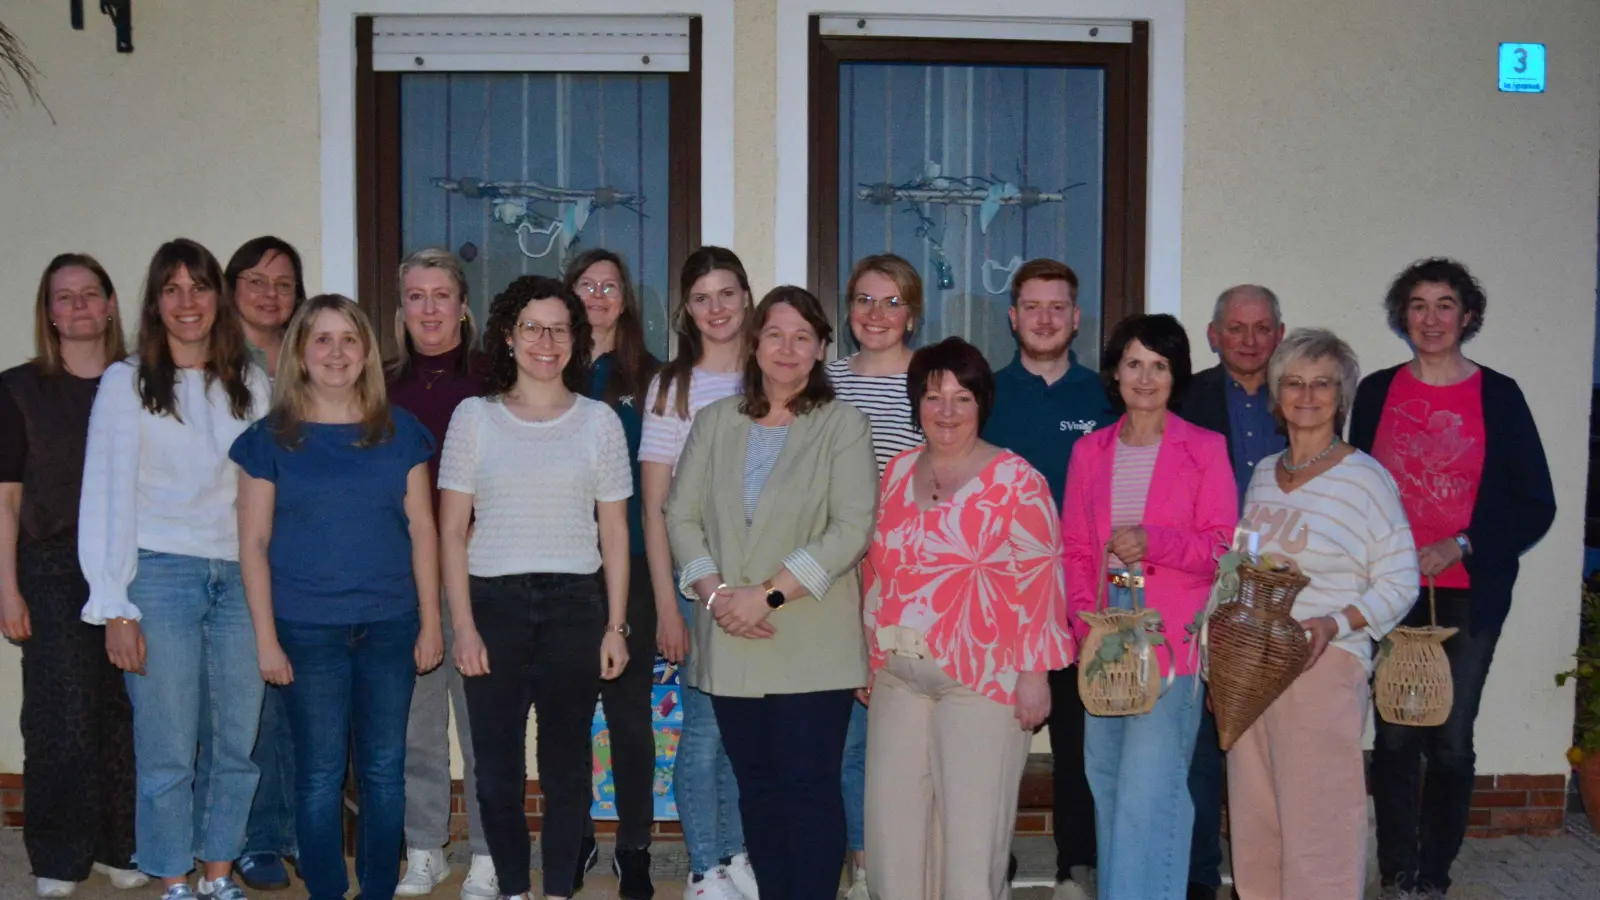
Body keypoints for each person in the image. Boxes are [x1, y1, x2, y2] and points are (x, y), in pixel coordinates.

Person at [665, 286, 877, 900]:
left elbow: (851, 528)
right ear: (755, 343)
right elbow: (681, 516)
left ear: (819, 352)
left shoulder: (843, 424)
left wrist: (767, 596)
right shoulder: (714, 423)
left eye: (802, 337)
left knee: (808, 788)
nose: (788, 348)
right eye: (776, 334)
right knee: (755, 785)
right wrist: (715, 596)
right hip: (729, 635)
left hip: (810, 640)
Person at [1353, 258, 1556, 899]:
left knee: (1448, 739)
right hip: (1391, 592)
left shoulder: (1499, 395)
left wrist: (1462, 543)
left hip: (1470, 596)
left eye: (1445, 305)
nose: (1432, 319)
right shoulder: (1378, 392)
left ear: (1467, 316)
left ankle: (1433, 876)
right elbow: (1357, 486)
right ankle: (1396, 871)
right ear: (1401, 316)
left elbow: (1535, 503)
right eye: (1418, 305)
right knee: (1390, 738)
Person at [230, 295, 443, 900]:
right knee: (320, 776)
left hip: (390, 626)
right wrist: (266, 639)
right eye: (321, 339)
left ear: (367, 352)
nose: (336, 352)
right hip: (306, 629)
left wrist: (431, 623)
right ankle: (326, 889)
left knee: (383, 773)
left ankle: (377, 889)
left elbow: (423, 531)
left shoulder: (401, 433)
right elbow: (254, 545)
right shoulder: (268, 440)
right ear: (299, 350)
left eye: (349, 339)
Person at [78, 238, 270, 900]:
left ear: (218, 299)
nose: (187, 302)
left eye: (199, 287)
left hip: (241, 581)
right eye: (172, 289)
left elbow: (269, 492)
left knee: (235, 746)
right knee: (165, 747)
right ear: (156, 304)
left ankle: (218, 874)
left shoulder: (250, 383)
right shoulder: (125, 383)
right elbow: (103, 496)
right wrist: (115, 604)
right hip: (158, 578)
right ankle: (171, 878)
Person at [439, 275, 633, 900]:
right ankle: (515, 890)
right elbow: (450, 531)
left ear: (575, 339)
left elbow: (615, 535)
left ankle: (557, 893)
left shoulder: (598, 422)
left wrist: (615, 625)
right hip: (492, 605)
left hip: (576, 607)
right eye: (532, 327)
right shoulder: (475, 417)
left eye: (559, 328)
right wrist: (462, 625)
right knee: (493, 771)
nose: (545, 341)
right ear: (507, 334)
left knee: (566, 767)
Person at [862, 336, 1072, 900]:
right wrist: (868, 654)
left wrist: (1036, 674)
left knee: (971, 846)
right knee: (893, 842)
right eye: (933, 398)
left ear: (982, 403)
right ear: (916, 405)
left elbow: (1041, 583)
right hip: (898, 677)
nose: (947, 412)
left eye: (961, 397)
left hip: (984, 681)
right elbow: (877, 570)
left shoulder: (1018, 481)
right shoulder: (898, 471)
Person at [1229, 328, 1419, 900]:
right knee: (1256, 818)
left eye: (1322, 384)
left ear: (1343, 396)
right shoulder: (1264, 472)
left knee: (1319, 825)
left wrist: (1333, 625)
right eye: (1293, 382)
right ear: (1275, 393)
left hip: (1322, 664)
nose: (1306, 396)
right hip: (1253, 667)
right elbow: (1247, 566)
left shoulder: (1366, 479)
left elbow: (1400, 579)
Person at [1059, 313, 1236, 900]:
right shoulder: (1090, 450)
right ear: (1116, 371)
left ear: (1175, 375)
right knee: (1106, 778)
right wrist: (1088, 620)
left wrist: (1154, 541)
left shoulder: (1205, 449)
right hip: (1105, 627)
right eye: (1134, 362)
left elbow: (1222, 547)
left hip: (1172, 634)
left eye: (1159, 365)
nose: (1145, 376)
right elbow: (1076, 547)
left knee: (1149, 790)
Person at [1, 254, 144, 899]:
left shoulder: (143, 383)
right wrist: (7, 587)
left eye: (91, 294)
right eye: (65, 298)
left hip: (135, 563)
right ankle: (58, 855)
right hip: (52, 565)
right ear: (49, 313)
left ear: (111, 305)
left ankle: (123, 845)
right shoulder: (18, 390)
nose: (80, 306)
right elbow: (5, 499)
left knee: (126, 710)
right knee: (61, 714)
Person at [981, 258, 1112, 900]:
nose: (1045, 318)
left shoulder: (1105, 397)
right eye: (1032, 306)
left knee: (1078, 746)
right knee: (992, 743)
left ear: (1076, 317)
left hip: (1081, 603)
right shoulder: (986, 396)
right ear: (1013, 317)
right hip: (1000, 604)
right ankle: (989, 863)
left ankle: (1075, 868)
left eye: (1057, 307)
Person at [639, 247, 757, 899]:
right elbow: (658, 507)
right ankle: (704, 866)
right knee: (706, 728)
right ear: (686, 309)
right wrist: (665, 604)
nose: (717, 308)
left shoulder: (774, 375)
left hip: (764, 587)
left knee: (747, 729)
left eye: (728, 293)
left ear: (748, 298)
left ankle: (739, 853)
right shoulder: (672, 387)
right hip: (696, 588)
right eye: (702, 297)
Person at [387, 248, 497, 900]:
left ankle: (487, 855)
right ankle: (424, 850)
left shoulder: (491, 379)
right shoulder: (381, 384)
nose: (429, 308)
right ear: (401, 310)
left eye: (441, 295)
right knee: (418, 729)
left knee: (483, 726)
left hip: (480, 575)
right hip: (405, 579)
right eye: (416, 296)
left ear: (463, 307)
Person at [1177, 284, 1286, 900]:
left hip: (1283, 597)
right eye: (1236, 329)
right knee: (1200, 750)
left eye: (1262, 328)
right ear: (1214, 335)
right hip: (1204, 593)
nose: (1249, 341)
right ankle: (1198, 878)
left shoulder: (1304, 397)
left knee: (1269, 748)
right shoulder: (1186, 397)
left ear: (1279, 333)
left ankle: (1266, 878)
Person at [824, 253, 923, 900]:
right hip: (833, 575)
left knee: (905, 727)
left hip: (910, 578)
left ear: (912, 312)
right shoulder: (826, 378)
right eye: (864, 300)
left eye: (891, 302)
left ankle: (910, 858)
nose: (876, 314)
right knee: (847, 734)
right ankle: (861, 862)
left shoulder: (931, 379)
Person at [565, 248, 662, 899]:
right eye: (587, 285)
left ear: (624, 299)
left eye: (610, 285)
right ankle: (573, 838)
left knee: (629, 718)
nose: (598, 295)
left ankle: (634, 846)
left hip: (634, 568)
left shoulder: (651, 378)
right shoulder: (547, 368)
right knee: (568, 715)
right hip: (563, 567)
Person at [220, 235, 309, 892]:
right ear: (232, 289)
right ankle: (260, 839)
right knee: (256, 706)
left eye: (282, 282)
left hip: (308, 550)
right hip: (236, 549)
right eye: (255, 280)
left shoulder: (314, 356)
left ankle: (306, 833)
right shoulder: (214, 363)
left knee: (308, 702)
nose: (269, 293)